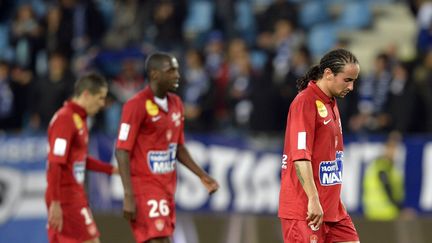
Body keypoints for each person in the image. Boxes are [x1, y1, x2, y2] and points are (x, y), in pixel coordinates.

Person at [115, 52, 219, 243]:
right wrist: (128, 194)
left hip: (167, 187)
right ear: (154, 74)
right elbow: (121, 150)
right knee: (160, 240)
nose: (177, 75)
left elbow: (178, 147)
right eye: (171, 70)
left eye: (177, 70)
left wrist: (202, 175)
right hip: (144, 187)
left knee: (163, 239)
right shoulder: (135, 105)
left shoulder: (177, 104)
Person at [278, 49, 361, 243]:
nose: (351, 86)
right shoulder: (305, 102)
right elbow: (300, 157)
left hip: (332, 210)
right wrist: (314, 200)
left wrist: (334, 200)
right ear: (328, 74)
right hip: (305, 209)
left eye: (354, 81)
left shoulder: (330, 101)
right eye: (347, 80)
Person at [45, 73, 118, 243]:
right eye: (100, 98)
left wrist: (111, 170)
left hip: (73, 195)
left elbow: (79, 159)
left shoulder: (79, 119)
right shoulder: (66, 119)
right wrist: (56, 202)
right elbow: (56, 162)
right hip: (66, 197)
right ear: (86, 94)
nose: (102, 104)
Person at [363, 131, 405, 220]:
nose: (394, 151)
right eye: (391, 147)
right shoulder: (382, 165)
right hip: (384, 212)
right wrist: (400, 208)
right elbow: (386, 185)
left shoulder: (389, 166)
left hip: (379, 212)